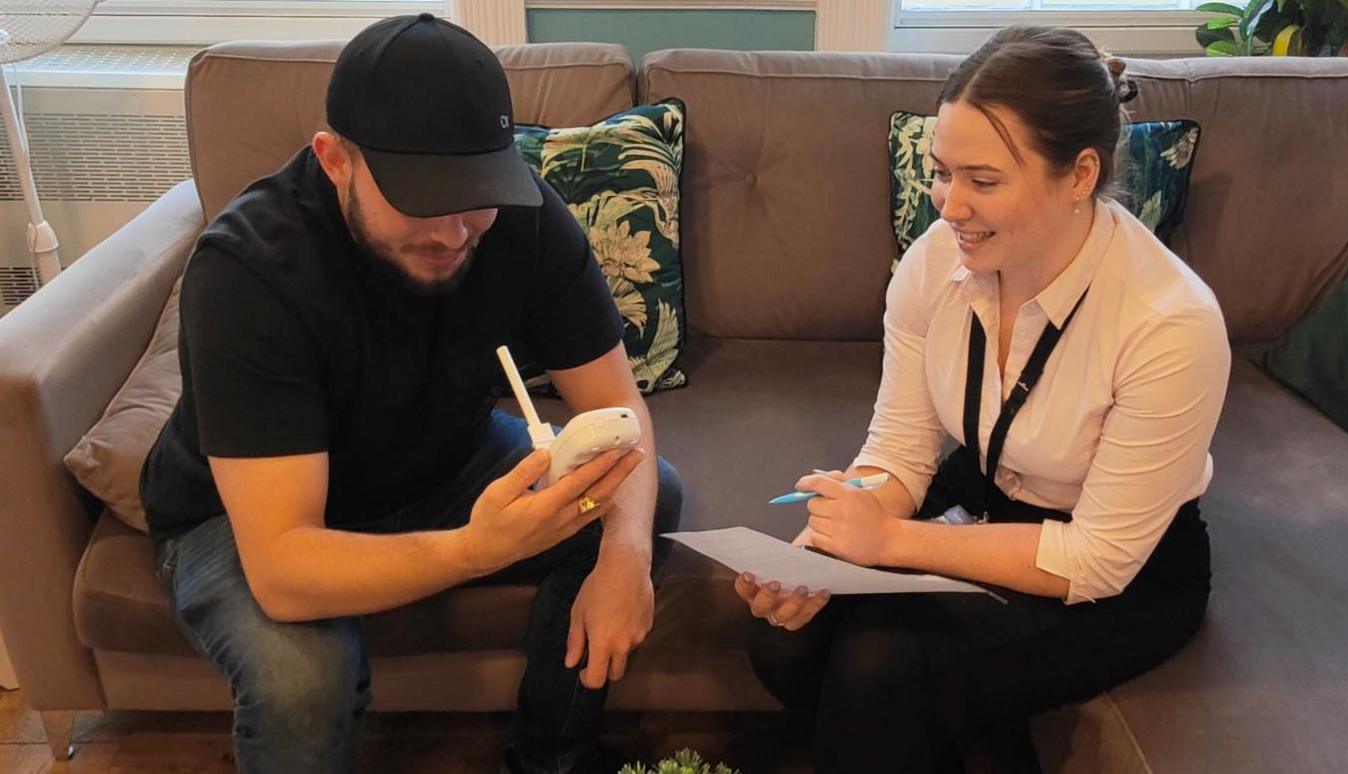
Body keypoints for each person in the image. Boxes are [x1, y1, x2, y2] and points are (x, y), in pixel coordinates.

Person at [139, 14, 681, 774]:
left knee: (638, 493)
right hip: (244, 517)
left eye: (477, 194)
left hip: (439, 463)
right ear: (335, 161)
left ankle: (549, 757)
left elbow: (615, 417)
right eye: (423, 198)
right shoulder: (250, 273)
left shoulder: (525, 223)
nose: (456, 232)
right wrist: (472, 550)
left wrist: (623, 556)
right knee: (303, 675)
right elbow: (285, 569)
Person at [734, 25, 1229, 773]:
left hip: (1123, 569)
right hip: (985, 492)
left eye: (984, 181)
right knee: (783, 635)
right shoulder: (936, 264)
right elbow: (900, 451)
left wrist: (890, 543)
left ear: (1080, 174)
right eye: (941, 173)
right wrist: (825, 548)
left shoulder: (1170, 323)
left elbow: (1097, 559)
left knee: (882, 668)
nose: (950, 206)